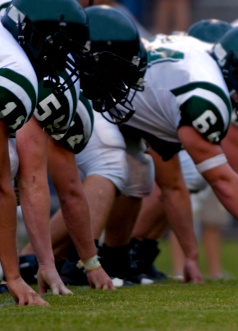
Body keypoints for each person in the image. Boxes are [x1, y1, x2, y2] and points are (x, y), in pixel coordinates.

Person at [102, 25, 238, 284]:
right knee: (103, 173)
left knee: (138, 179)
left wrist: (191, 254)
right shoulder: (205, 95)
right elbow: (223, 180)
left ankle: (113, 262)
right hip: (99, 97)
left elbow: (174, 185)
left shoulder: (200, 55)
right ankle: (64, 260)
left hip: (119, 103)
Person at [16, 5, 146, 290]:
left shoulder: (57, 79)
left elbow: (69, 188)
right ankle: (21, 265)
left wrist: (91, 262)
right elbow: (38, 180)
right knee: (15, 166)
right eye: (115, 71)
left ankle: (25, 264)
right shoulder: (54, 84)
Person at [0, 0, 92, 305]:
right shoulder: (17, 73)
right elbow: (13, 183)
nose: (58, 61)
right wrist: (13, 277)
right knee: (10, 164)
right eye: (58, 49)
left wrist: (45, 264)